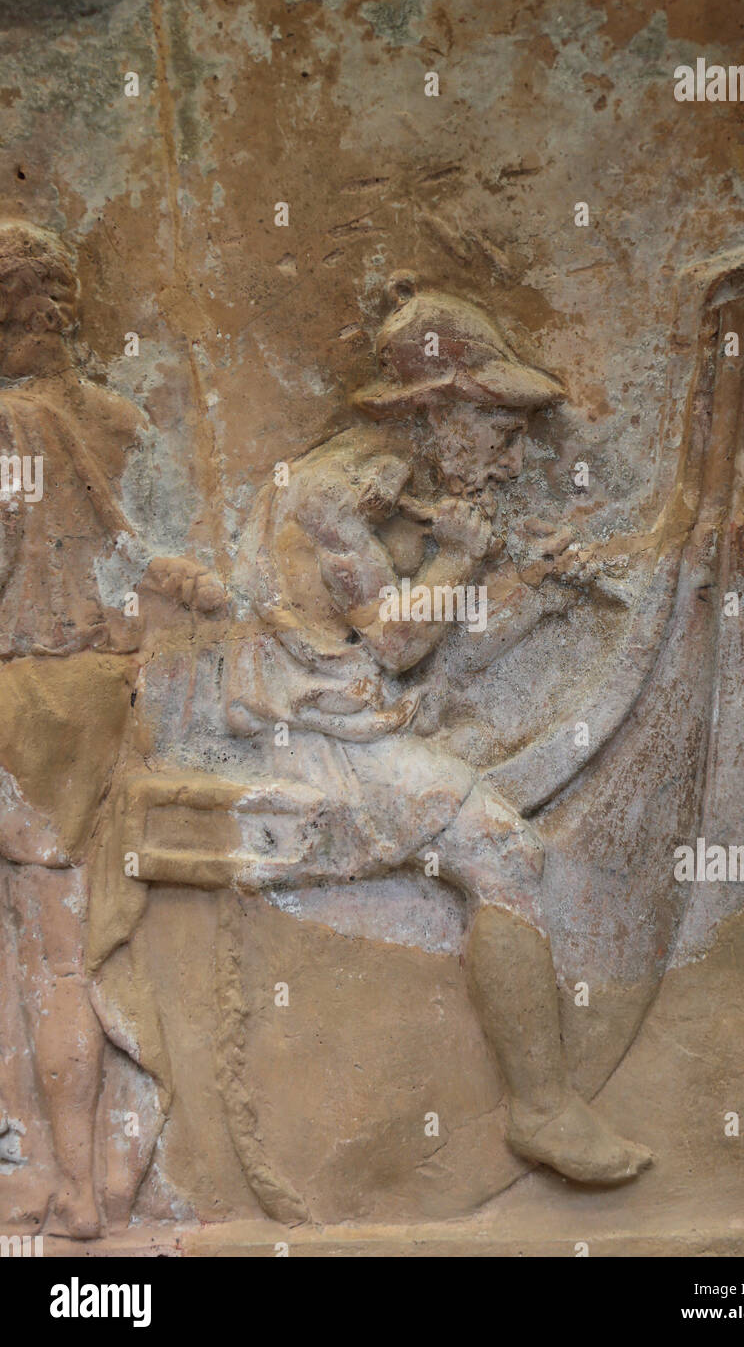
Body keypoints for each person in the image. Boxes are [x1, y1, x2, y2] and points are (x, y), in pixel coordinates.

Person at [224, 271, 652, 1185]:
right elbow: (399, 641)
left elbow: (437, 648)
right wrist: (461, 553)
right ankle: (542, 1109)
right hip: (313, 744)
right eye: (497, 432)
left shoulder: (395, 493)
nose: (505, 459)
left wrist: (526, 587)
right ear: (438, 412)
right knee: (505, 849)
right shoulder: (331, 496)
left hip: (361, 722)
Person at [0, 219, 222, 1237]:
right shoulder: (116, 418)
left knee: (45, 956)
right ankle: (79, 1177)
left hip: (26, 699)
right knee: (65, 953)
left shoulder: (12, 430)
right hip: (100, 696)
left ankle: (70, 1182)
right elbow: (147, 558)